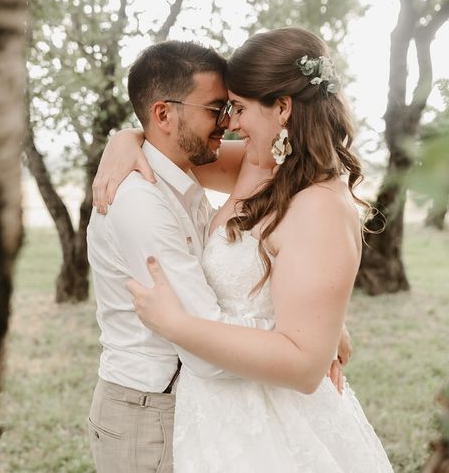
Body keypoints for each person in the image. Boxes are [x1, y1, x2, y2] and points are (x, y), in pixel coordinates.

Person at [102, 28, 393, 471]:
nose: (230, 123)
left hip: (274, 424)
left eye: (237, 108)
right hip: (215, 411)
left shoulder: (322, 207)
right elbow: (171, 144)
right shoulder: (260, 165)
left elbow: (304, 366)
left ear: (282, 107)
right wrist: (121, 140)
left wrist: (177, 324)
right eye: (224, 108)